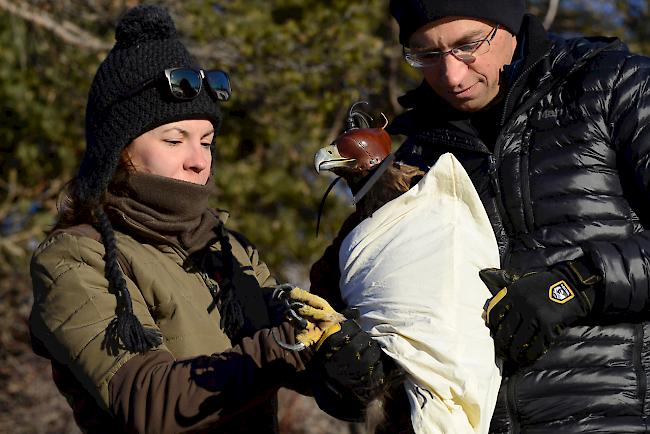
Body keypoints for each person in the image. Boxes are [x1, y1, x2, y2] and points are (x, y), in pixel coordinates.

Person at [28, 5, 386, 433]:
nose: (198, 161)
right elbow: (146, 400)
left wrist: (343, 361)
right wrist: (291, 346)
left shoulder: (228, 248)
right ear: (119, 151)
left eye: (207, 141)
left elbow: (302, 363)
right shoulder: (77, 258)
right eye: (175, 140)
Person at [312, 0, 650, 432]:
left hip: (610, 416)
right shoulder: (410, 157)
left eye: (468, 46)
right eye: (427, 55)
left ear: (508, 24)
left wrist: (579, 284)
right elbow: (366, 336)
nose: (452, 75)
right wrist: (345, 374)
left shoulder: (614, 87)